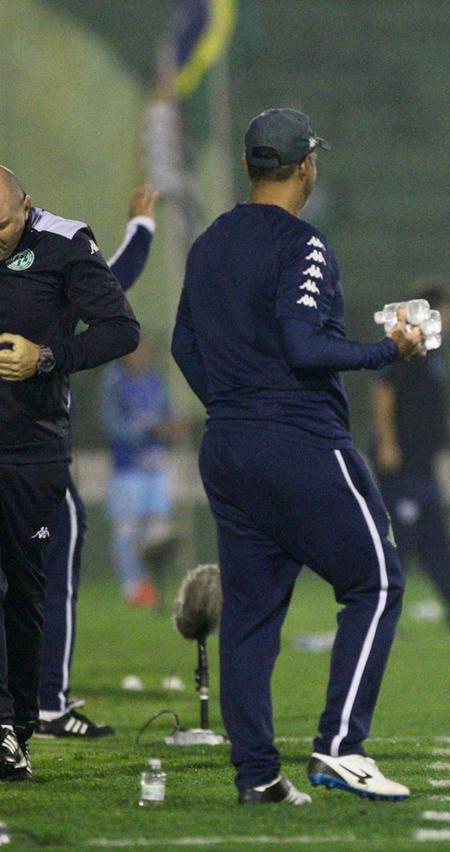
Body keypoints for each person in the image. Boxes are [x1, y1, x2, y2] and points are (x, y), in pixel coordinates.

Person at [171, 109, 422, 804]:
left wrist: (234, 403)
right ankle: (342, 745)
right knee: (376, 584)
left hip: (228, 446)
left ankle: (257, 778)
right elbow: (305, 348)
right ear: (306, 165)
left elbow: (183, 346)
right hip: (299, 440)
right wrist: (387, 351)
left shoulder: (210, 242)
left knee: (249, 620)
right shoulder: (302, 242)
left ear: (254, 165)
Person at [0, 165, 140, 781]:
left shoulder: (64, 242)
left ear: (27, 206)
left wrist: (48, 359)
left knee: (24, 592)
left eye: (1, 225)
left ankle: (20, 725)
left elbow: (120, 330)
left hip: (31, 450)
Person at [36, 185, 158, 740]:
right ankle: (45, 702)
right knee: (56, 560)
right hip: (29, 448)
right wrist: (142, 228)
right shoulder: (41, 268)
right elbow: (110, 287)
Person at [371, 283, 450, 636]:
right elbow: (383, 391)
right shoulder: (408, 345)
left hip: (423, 464)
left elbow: (421, 401)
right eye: (446, 310)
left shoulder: (434, 353)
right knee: (399, 541)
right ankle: (378, 615)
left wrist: (446, 424)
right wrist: (387, 443)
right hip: (401, 465)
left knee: (436, 542)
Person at [98, 338, 182, 604]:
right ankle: (132, 586)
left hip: (155, 464)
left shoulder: (154, 380)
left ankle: (154, 582)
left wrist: (172, 427)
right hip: (127, 467)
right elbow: (112, 425)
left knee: (158, 526)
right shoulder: (113, 380)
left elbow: (166, 412)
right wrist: (148, 430)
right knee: (127, 528)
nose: (143, 353)